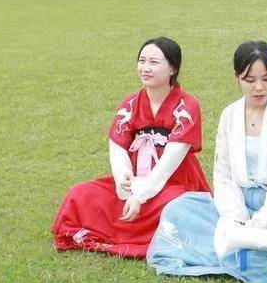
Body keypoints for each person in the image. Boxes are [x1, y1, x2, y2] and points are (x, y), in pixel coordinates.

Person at [148, 42, 267, 283]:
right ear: (237, 78)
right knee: (177, 209)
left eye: (266, 78)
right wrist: (233, 217)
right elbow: (223, 175)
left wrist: (263, 223)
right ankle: (237, 243)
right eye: (249, 79)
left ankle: (245, 247)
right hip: (237, 199)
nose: (259, 87)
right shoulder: (230, 115)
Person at [53, 37, 210, 258]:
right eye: (142, 61)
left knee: (177, 207)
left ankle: (139, 231)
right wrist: (125, 185)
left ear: (172, 68)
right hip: (135, 180)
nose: (145, 68)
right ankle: (129, 227)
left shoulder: (187, 106)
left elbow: (170, 161)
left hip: (173, 181)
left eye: (154, 62)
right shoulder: (130, 104)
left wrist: (141, 196)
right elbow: (118, 148)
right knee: (81, 193)